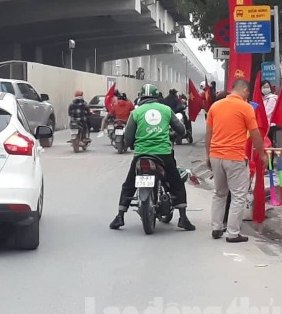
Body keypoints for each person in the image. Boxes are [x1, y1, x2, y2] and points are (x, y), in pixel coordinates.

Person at [109, 84, 195, 231]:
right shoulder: (166, 110)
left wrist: (130, 145)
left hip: (141, 154)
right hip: (164, 154)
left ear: (141, 97)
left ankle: (119, 217)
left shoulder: (136, 113)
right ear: (157, 97)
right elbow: (181, 130)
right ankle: (183, 218)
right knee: (176, 182)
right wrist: (178, 135)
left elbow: (128, 136)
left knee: (129, 184)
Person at [206, 79, 267, 243]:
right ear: (244, 90)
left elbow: (208, 134)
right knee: (238, 196)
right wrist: (262, 154)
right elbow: (255, 134)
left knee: (219, 194)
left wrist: (208, 156)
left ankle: (216, 227)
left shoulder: (215, 106)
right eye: (247, 93)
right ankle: (232, 233)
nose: (247, 96)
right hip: (234, 157)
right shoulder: (245, 108)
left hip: (216, 156)